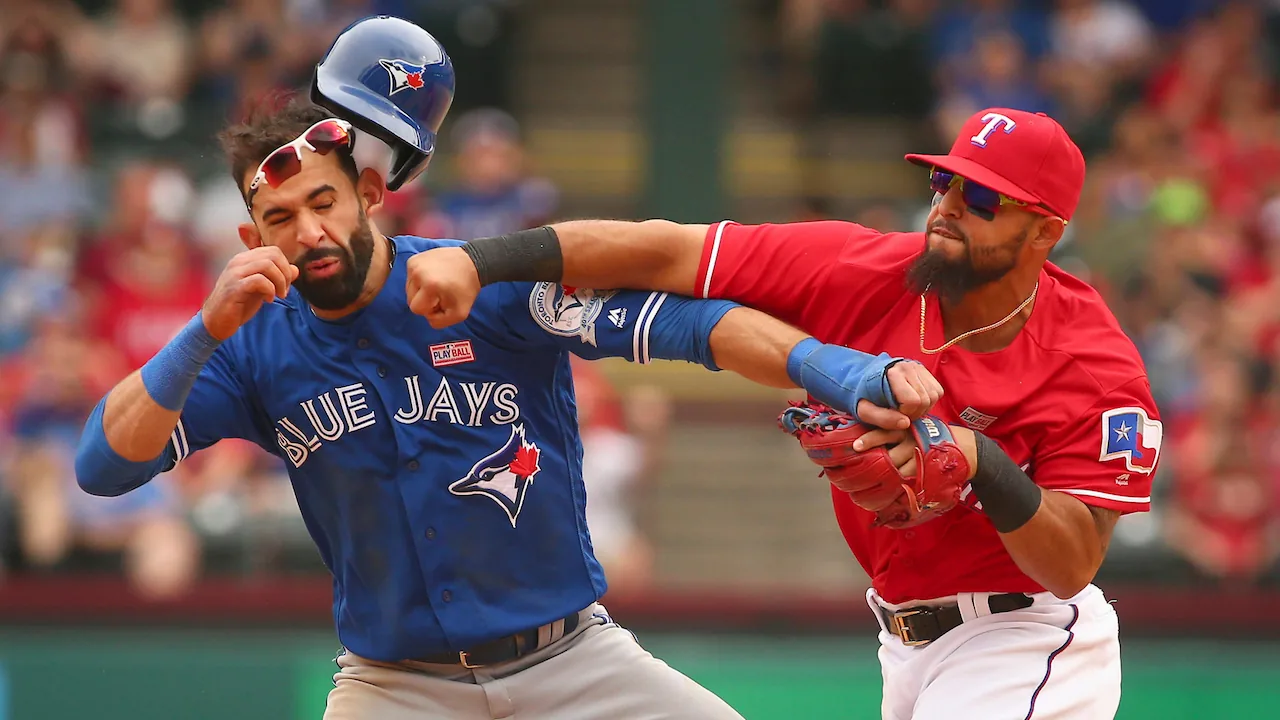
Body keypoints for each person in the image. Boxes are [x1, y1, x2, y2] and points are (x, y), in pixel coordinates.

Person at [73, 16, 945, 720]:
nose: (307, 232)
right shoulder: (248, 346)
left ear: (371, 195)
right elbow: (103, 467)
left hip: (574, 663)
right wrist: (202, 330)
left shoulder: (477, 282)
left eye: (324, 201)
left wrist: (845, 373)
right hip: (394, 686)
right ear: (249, 238)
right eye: (278, 217)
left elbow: (695, 328)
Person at [406, 107, 1162, 719]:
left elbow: (1071, 565)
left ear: (1046, 232)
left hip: (1025, 637)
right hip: (904, 642)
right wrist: (483, 261)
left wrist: (979, 460)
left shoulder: (1093, 363)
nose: (950, 208)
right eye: (944, 183)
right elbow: (665, 252)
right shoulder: (862, 269)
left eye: (984, 199)